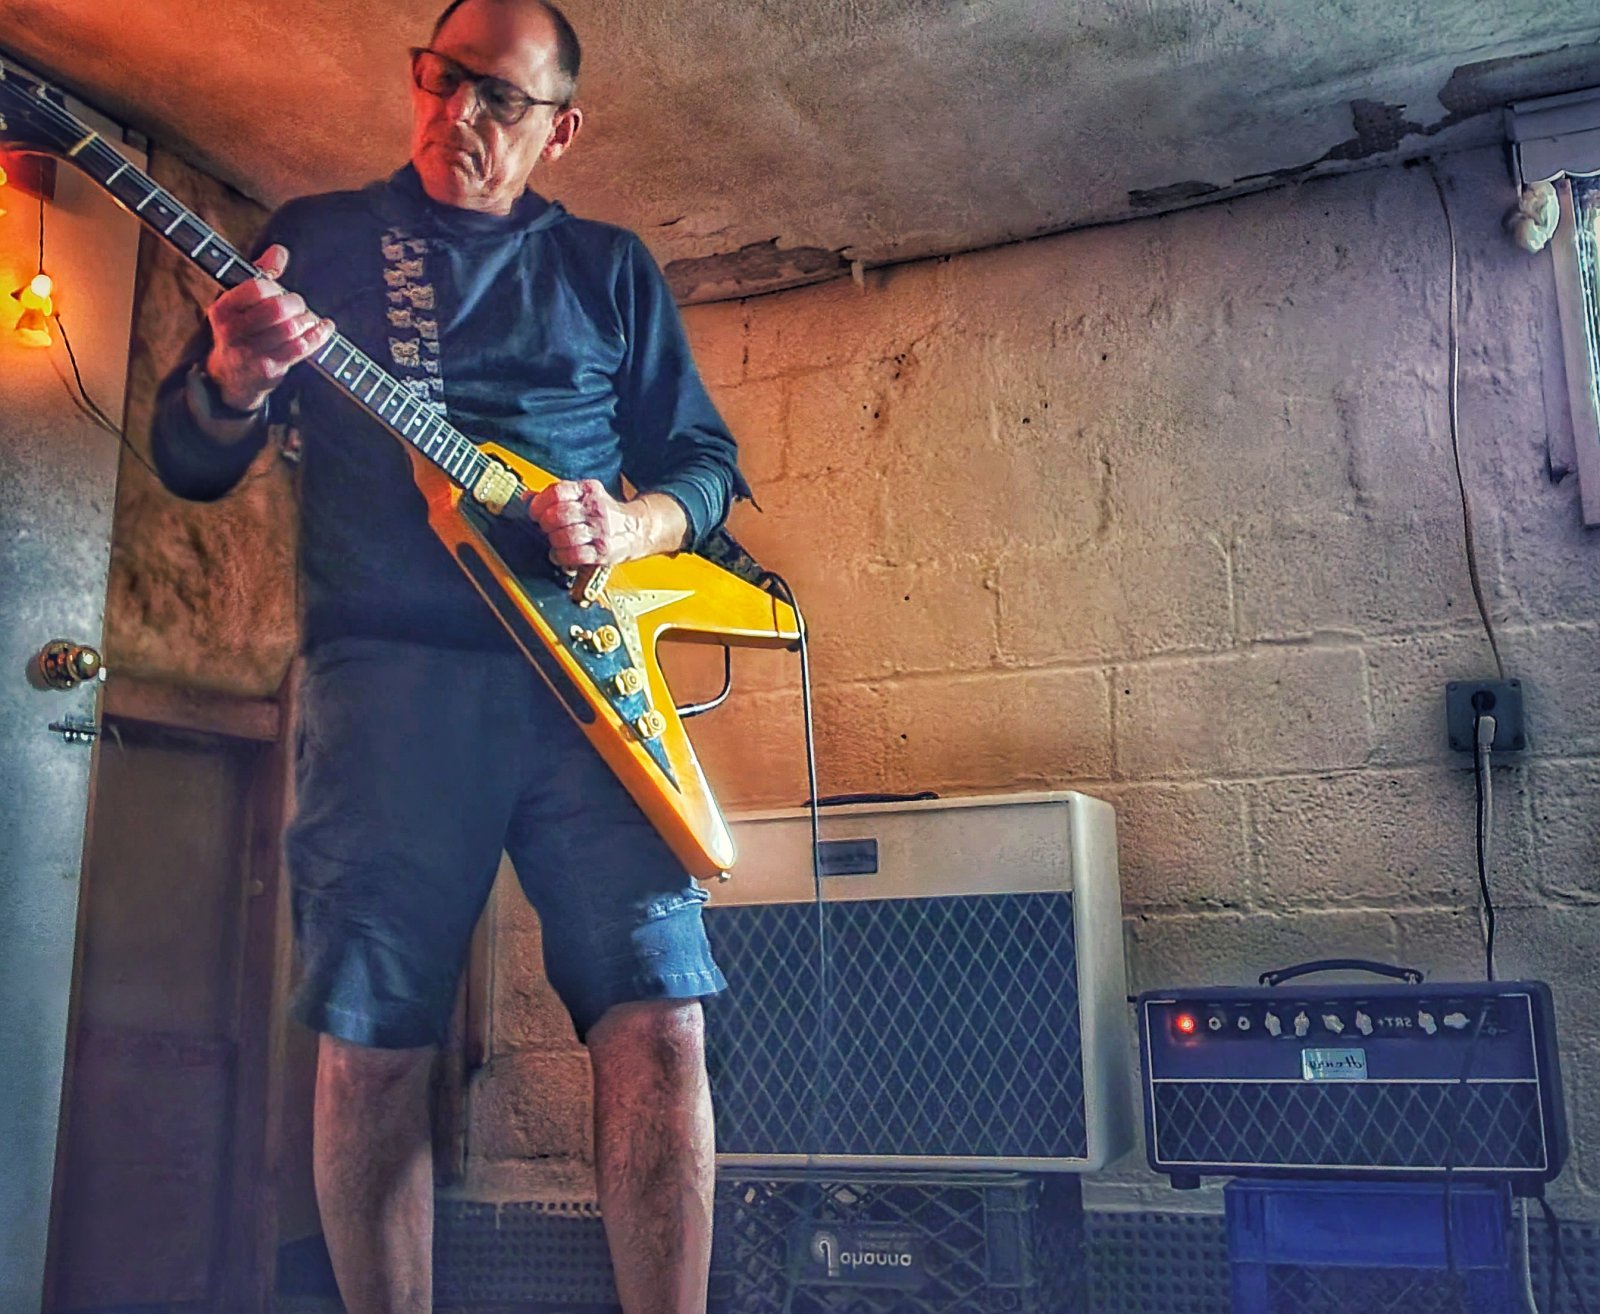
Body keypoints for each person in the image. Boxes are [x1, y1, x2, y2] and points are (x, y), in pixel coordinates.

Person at [149, 2, 745, 1310]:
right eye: (440, 78)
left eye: (499, 98)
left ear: (561, 129)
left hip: (589, 691)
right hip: (387, 684)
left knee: (661, 1023)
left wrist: (628, 521)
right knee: (373, 1042)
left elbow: (705, 468)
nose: (456, 114)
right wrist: (234, 381)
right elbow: (189, 457)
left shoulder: (607, 268)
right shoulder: (319, 243)